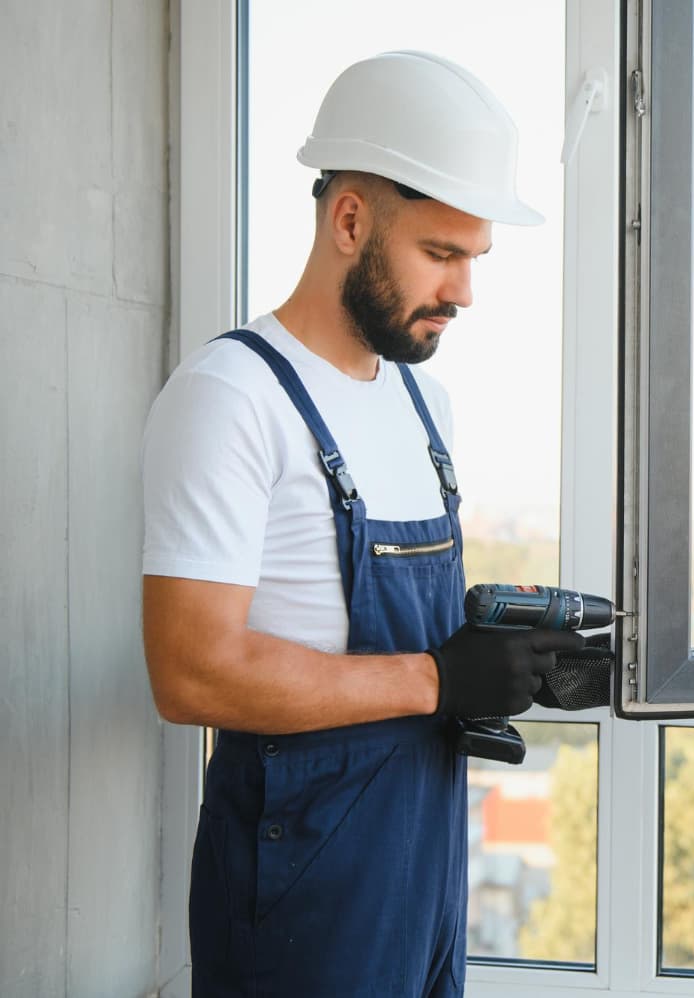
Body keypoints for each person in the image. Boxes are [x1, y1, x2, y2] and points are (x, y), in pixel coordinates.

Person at [140, 50, 582, 995]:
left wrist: (497, 659)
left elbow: (372, 638)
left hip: (425, 865)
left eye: (474, 258)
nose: (465, 291)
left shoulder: (426, 408)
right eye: (442, 254)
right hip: (302, 881)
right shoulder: (231, 396)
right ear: (350, 220)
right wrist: (435, 677)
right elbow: (188, 670)